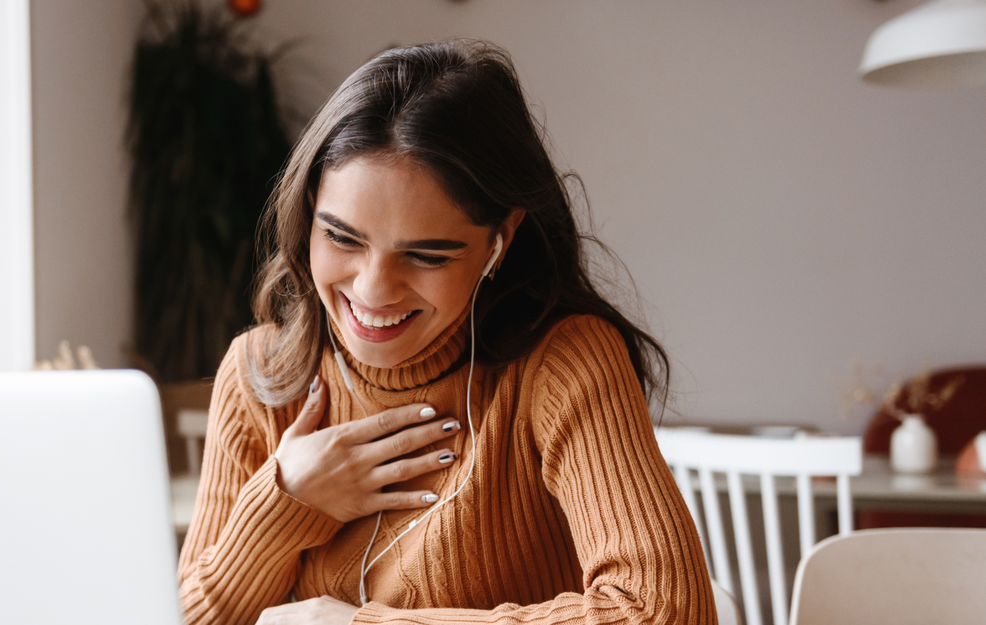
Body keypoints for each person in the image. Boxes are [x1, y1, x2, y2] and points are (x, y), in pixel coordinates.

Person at [178, 40, 714, 625]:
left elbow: (665, 613)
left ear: (498, 241)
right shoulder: (263, 372)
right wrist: (286, 501)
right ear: (308, 213)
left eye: (427, 256)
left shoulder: (563, 362)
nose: (374, 289)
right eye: (342, 237)